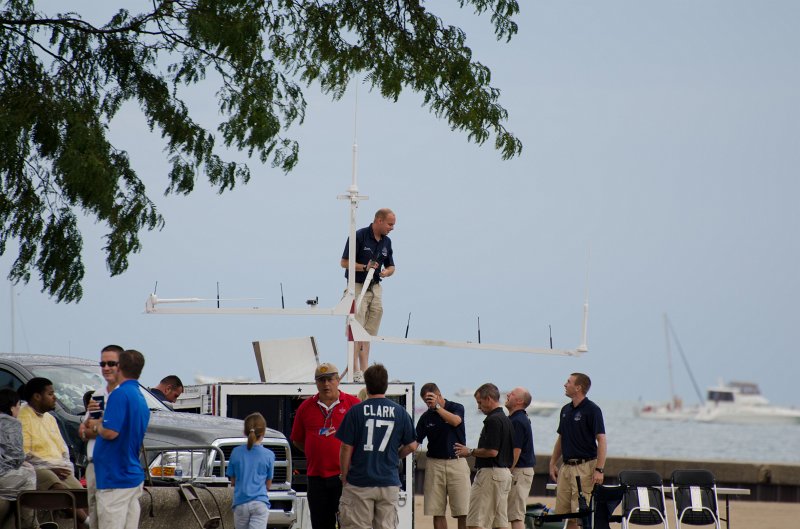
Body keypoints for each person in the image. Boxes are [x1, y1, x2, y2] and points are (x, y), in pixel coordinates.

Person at [336, 364, 417, 529]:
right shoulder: (400, 412)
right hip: (388, 482)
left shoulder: (355, 412)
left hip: (359, 481)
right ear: (386, 385)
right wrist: (396, 455)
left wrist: (344, 475)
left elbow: (346, 447)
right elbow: (412, 445)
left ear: (366, 385)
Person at [290, 363, 360, 529]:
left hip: (345, 478)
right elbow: (297, 440)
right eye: (321, 380)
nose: (326, 384)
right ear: (316, 383)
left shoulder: (353, 404)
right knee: (320, 524)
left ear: (338, 380)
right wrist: (314, 452)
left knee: (349, 523)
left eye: (330, 379)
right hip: (317, 479)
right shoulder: (305, 408)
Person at [88, 349, 150, 529]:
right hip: (130, 474)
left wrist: (96, 424)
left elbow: (110, 432)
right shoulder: (139, 396)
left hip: (114, 477)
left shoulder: (119, 394)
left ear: (119, 367)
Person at [18, 377, 90, 526]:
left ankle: (89, 523)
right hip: (34, 469)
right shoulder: (22, 417)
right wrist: (49, 467)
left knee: (83, 496)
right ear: (37, 396)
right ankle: (89, 523)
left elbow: (62, 449)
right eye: (50, 394)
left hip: (59, 469)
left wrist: (64, 467)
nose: (55, 398)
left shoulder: (50, 418)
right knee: (59, 489)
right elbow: (22, 455)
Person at [340, 208, 396, 382]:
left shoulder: (387, 242)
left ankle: (365, 370)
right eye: (390, 224)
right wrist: (365, 267)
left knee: (368, 331)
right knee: (356, 327)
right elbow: (344, 263)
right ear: (379, 220)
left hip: (375, 287)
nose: (392, 228)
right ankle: (355, 370)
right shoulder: (359, 236)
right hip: (357, 285)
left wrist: (387, 272)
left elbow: (392, 266)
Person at [548, 373, 607, 529]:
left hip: (585, 467)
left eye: (568, 382)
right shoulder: (565, 410)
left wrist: (599, 469)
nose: (565, 384)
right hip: (566, 467)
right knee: (563, 514)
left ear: (578, 387)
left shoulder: (592, 410)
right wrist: (553, 462)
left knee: (579, 513)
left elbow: (601, 439)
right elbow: (561, 438)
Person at [453, 383, 513, 529]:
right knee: (499, 523)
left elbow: (492, 451)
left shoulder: (493, 420)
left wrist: (470, 451)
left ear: (489, 399)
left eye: (480, 402)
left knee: (476, 523)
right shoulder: (506, 419)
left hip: (490, 474)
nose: (479, 407)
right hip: (504, 474)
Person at [79, 344, 124, 529]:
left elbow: (112, 432)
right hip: (93, 464)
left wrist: (94, 428)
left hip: (112, 465)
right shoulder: (98, 394)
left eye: (111, 363)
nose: (106, 368)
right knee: (96, 520)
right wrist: (94, 428)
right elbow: (83, 431)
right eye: (103, 363)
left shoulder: (125, 394)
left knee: (110, 520)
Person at [415, 383, 470, 529]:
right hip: (434, 464)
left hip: (456, 462)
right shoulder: (425, 417)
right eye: (425, 401)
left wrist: (438, 408)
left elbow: (456, 421)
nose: (428, 404)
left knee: (463, 510)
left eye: (430, 399)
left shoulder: (456, 407)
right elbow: (415, 442)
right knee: (437, 511)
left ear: (438, 394)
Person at [226, 412, 275, 529]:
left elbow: (233, 481)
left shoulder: (235, 452)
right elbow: (268, 484)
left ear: (245, 432)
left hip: (240, 503)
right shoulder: (269, 455)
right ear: (263, 432)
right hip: (260, 502)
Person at [0, 388, 37, 528]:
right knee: (29, 474)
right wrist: (24, 461)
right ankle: (30, 523)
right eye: (18, 405)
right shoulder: (11, 423)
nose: (19, 409)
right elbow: (16, 456)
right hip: (2, 476)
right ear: (12, 407)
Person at [505, 388, 536, 529]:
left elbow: (516, 450)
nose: (507, 395)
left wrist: (507, 471)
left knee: (516, 515)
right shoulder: (516, 418)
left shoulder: (517, 420)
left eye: (511, 394)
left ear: (519, 401)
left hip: (519, 471)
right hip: (519, 470)